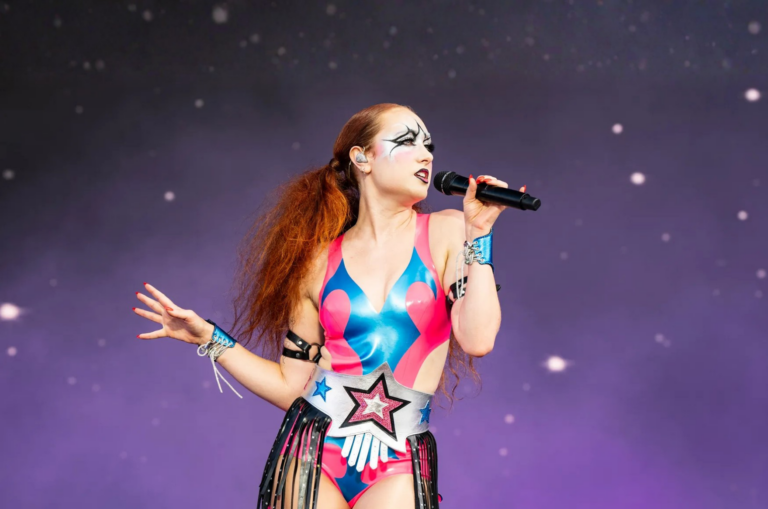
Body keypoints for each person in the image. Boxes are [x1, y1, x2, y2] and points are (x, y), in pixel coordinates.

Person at [133, 103, 519, 509]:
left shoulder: (449, 231)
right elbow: (291, 387)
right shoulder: (317, 263)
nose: (425, 155)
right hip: (313, 450)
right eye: (408, 142)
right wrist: (210, 338)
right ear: (362, 158)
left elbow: (477, 339)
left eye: (429, 145)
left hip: (400, 457)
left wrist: (480, 233)